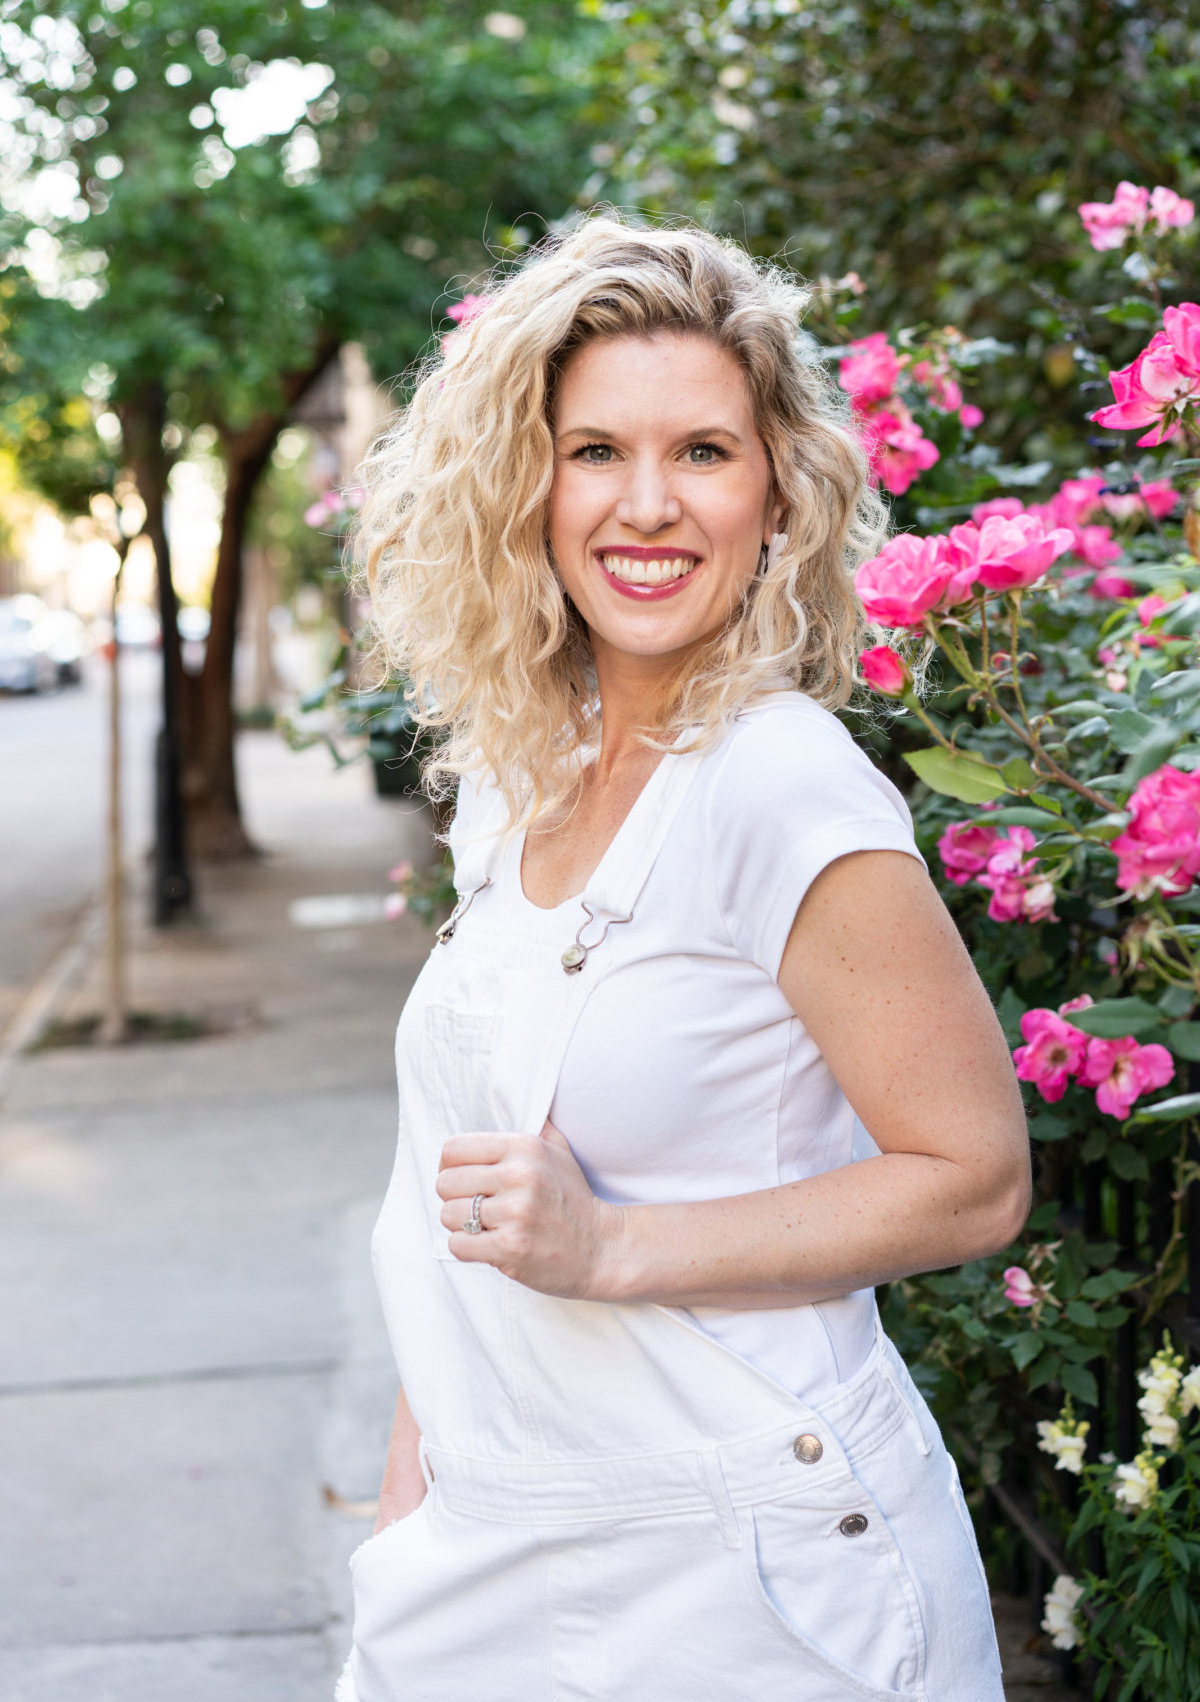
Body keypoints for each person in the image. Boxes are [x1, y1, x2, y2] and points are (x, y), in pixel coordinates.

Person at [338, 218, 1030, 1702]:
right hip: (490, 1566)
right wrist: (412, 1522)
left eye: (703, 451)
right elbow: (454, 1190)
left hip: (754, 1584)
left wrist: (615, 1251)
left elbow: (975, 1176)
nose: (645, 505)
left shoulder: (784, 785)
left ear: (778, 488)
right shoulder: (530, 778)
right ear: (528, 483)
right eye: (595, 450)